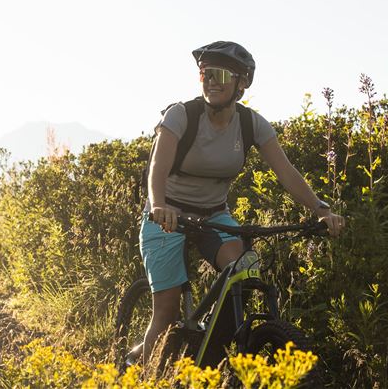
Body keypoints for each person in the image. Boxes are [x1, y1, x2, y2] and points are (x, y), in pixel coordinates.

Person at [137, 40, 345, 362]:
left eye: (221, 73)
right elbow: (157, 168)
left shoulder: (250, 124)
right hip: (167, 215)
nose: (212, 80)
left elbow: (287, 174)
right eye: (206, 73)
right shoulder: (182, 116)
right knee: (166, 311)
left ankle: (208, 353)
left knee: (244, 273)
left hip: (214, 215)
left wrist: (321, 209)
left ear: (242, 83)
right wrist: (160, 205)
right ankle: (142, 375)